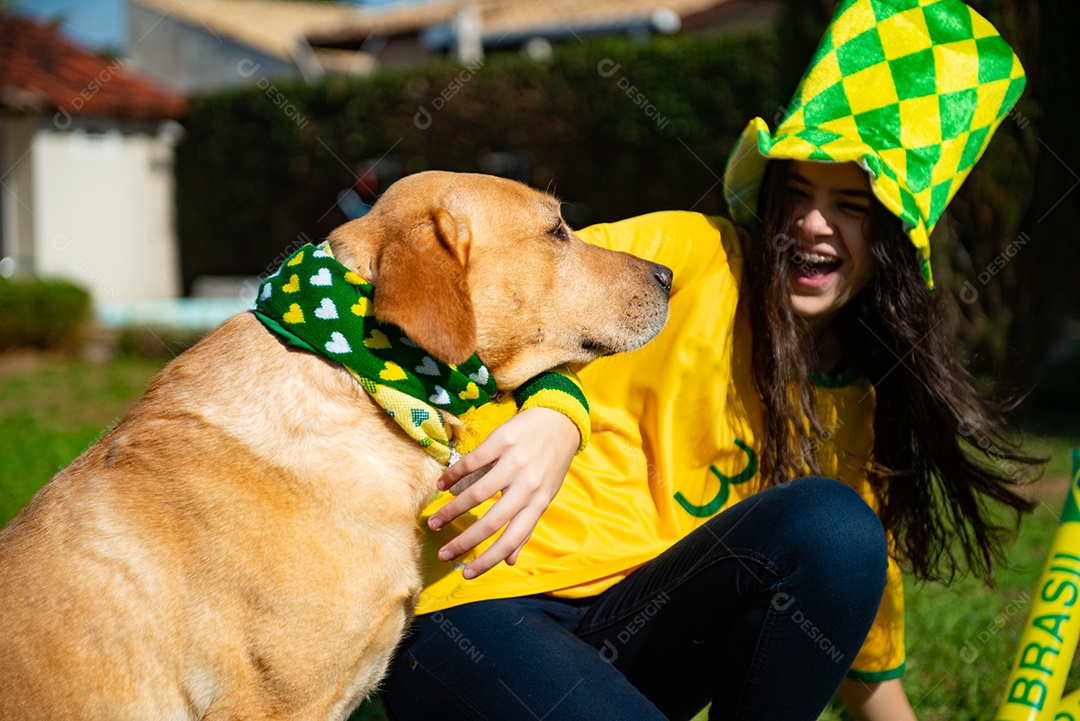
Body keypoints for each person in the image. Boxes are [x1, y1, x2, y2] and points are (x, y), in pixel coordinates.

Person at [379, 1, 1041, 719]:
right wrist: (559, 415)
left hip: (624, 642)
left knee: (838, 528)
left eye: (851, 204)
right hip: (476, 603)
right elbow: (519, 288)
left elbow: (866, 659)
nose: (813, 222)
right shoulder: (689, 254)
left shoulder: (857, 408)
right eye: (799, 192)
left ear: (890, 241)